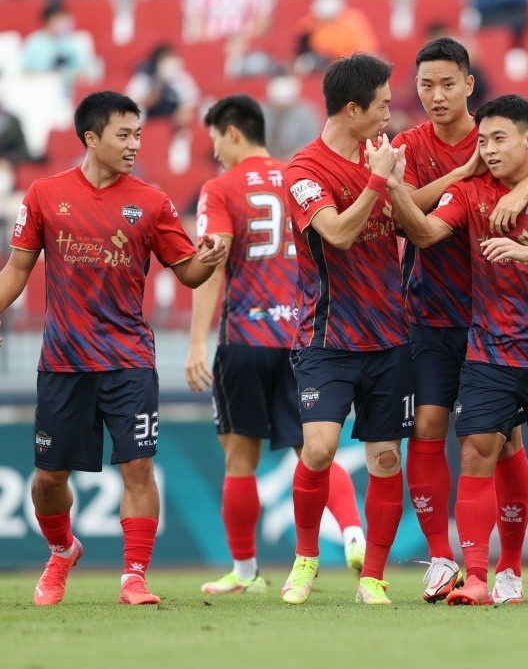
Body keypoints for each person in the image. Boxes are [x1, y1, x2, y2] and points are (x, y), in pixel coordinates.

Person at [389, 94, 528, 607]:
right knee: (475, 452)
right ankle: (477, 576)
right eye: (484, 141)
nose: (489, 150)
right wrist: (392, 187)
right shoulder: (471, 192)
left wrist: (527, 252)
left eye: (499, 139)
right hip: (489, 351)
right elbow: (424, 233)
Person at [0, 91, 227, 606]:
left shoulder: (151, 201)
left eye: (138, 134)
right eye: (123, 135)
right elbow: (16, 270)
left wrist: (209, 258)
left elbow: (188, 273)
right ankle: (61, 552)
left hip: (128, 359)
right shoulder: (43, 194)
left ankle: (134, 578)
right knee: (47, 480)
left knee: (139, 468)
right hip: (63, 362)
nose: (133, 144)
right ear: (91, 138)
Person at [183, 95, 366, 595]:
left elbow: (212, 264)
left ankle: (245, 574)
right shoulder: (299, 179)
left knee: (240, 459)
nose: (216, 150)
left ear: (233, 133)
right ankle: (353, 531)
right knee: (316, 451)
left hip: (244, 338)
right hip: (302, 339)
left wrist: (198, 341)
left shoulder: (220, 188)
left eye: (216, 139)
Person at [281, 54, 411, 606]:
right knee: (317, 449)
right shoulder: (304, 171)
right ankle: (307, 557)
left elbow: (415, 218)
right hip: (328, 337)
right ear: (353, 109)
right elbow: (336, 233)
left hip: (390, 335)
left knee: (386, 459)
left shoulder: (385, 154)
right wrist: (380, 180)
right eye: (381, 104)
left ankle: (373, 577)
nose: (389, 112)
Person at [295, 0, 379, 72]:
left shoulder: (354, 21)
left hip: (349, 64)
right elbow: (301, 41)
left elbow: (367, 49)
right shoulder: (311, 23)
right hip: (322, 62)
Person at [125, 45, 201, 131]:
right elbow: (130, 103)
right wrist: (150, 98)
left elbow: (192, 100)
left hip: (174, 122)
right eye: (167, 58)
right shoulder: (143, 78)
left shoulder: (182, 78)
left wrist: (185, 111)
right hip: (150, 119)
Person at [21, 2, 94, 90]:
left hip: (69, 91)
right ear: (49, 20)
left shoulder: (72, 43)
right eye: (59, 19)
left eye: (65, 19)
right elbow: (26, 70)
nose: (64, 23)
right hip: (41, 89)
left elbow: (81, 71)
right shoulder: (34, 43)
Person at [263, 75, 321, 162]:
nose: (281, 108)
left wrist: (290, 158)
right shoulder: (262, 112)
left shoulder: (307, 114)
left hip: (296, 161)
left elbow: (312, 143)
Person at [183, 0, 272, 43]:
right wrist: (213, 44)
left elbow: (263, 23)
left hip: (246, 47)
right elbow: (193, 22)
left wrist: (244, 42)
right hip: (210, 45)